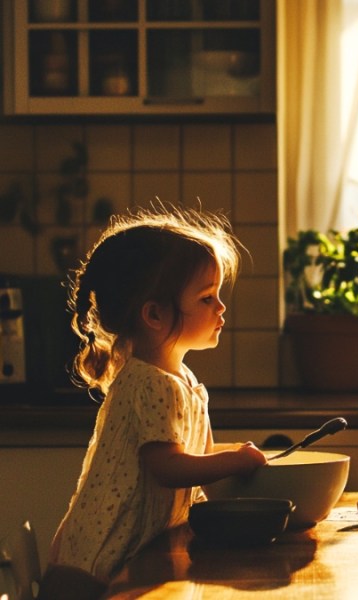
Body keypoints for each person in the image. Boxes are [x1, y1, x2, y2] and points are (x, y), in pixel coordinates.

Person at [39, 206, 268, 599]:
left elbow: (202, 455)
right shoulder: (150, 383)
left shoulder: (187, 383)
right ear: (155, 314)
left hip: (124, 558)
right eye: (206, 297)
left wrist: (247, 456)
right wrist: (239, 461)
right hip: (96, 564)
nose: (221, 307)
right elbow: (168, 466)